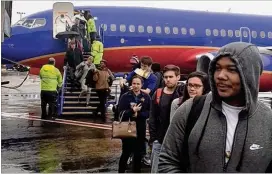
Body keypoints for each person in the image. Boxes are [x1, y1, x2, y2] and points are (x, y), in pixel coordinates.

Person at [158, 42, 272, 173]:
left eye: (231, 69)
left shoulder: (267, 120)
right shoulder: (190, 109)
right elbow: (167, 162)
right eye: (217, 68)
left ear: (250, 74)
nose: (220, 76)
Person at [149, 64, 183, 173]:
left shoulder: (183, 93)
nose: (167, 80)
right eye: (166, 77)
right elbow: (152, 116)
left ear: (178, 77)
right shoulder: (158, 93)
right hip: (159, 139)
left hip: (176, 141)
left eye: (171, 77)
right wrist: (153, 138)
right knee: (155, 169)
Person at [117, 75, 151, 173]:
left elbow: (149, 112)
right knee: (126, 153)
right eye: (134, 83)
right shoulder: (125, 96)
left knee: (138, 154)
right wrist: (132, 111)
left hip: (140, 128)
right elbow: (120, 113)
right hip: (127, 128)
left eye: (138, 84)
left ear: (142, 85)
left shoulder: (146, 97)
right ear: (131, 84)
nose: (135, 86)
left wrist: (139, 114)